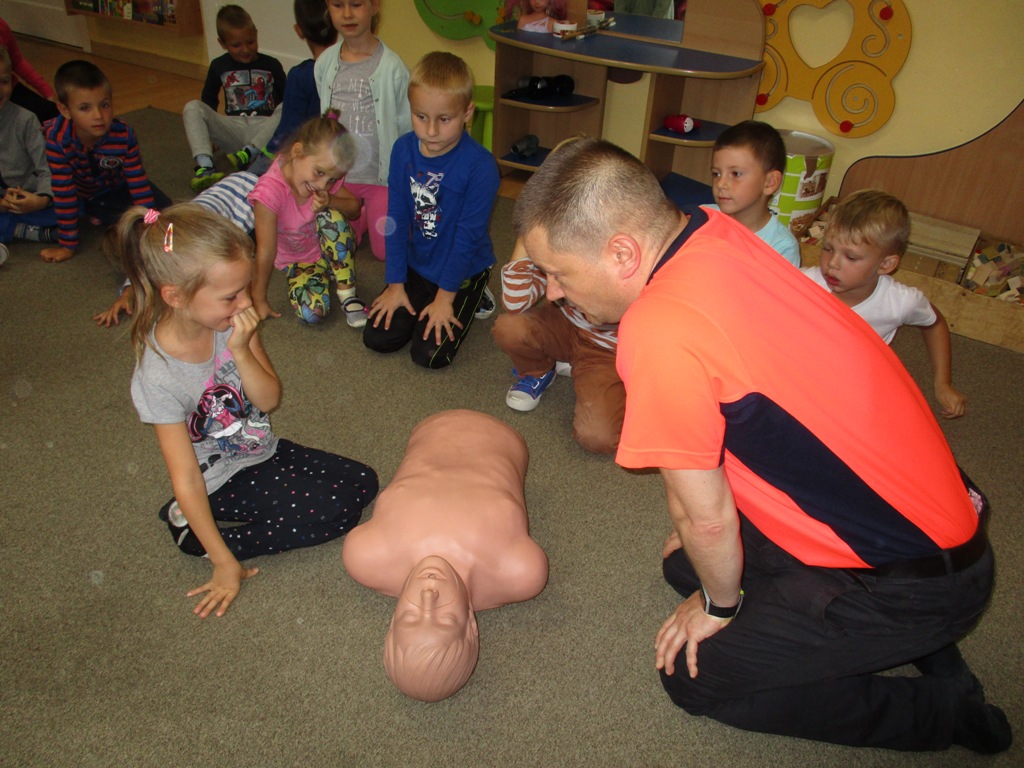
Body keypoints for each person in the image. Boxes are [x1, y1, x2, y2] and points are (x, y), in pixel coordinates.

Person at [512, 137, 1010, 753]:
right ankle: (913, 644)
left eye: (557, 273)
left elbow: (704, 517)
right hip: (939, 513)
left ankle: (945, 710)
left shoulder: (659, 329)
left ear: (621, 252)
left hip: (919, 583)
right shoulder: (714, 229)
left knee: (694, 675)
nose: (554, 292)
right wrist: (713, 558)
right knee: (685, 563)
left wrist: (718, 607)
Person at [122, 203, 378, 618]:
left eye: (244, 289)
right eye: (231, 296)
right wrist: (225, 563)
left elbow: (268, 399)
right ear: (176, 297)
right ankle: (197, 535)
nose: (245, 302)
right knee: (338, 512)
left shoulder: (232, 323)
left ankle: (205, 519)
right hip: (218, 478)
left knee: (364, 482)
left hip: (262, 449)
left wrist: (241, 350)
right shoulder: (158, 376)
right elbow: (185, 475)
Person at [341, 409, 548, 702]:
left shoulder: (366, 557)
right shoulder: (516, 573)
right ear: (471, 625)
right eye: (447, 620)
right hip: (502, 439)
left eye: (410, 617)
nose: (429, 595)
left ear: (392, 623)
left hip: (430, 428)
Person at [364, 51, 498, 369]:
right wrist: (395, 284)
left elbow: (467, 238)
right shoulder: (403, 150)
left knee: (429, 356)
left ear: (467, 112)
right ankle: (422, 293)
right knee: (378, 338)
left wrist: (444, 299)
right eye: (421, 116)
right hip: (419, 261)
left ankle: (476, 292)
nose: (431, 131)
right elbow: (396, 220)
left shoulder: (481, 167)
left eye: (444, 119)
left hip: (464, 268)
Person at [802, 189, 966, 418]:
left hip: (852, 390)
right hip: (801, 376)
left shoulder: (900, 302)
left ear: (886, 265)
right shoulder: (803, 282)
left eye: (851, 257)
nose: (832, 264)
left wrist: (942, 383)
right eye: (828, 249)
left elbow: (935, 323)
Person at [493, 238, 623, 454]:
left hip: (607, 351)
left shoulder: (627, 262)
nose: (551, 293)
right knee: (510, 327)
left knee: (597, 438)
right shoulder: (564, 237)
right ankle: (540, 371)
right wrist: (525, 242)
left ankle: (600, 380)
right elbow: (514, 304)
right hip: (565, 324)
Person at [41, 60, 170, 263]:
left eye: (104, 105)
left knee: (166, 212)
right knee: (126, 224)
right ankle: (104, 219)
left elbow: (137, 182)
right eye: (85, 108)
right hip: (91, 196)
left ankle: (163, 242)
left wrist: (149, 219)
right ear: (65, 110)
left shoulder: (124, 135)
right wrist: (67, 244)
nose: (98, 116)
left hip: (121, 186)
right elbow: (64, 191)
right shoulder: (56, 140)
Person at [94, 170, 260, 327]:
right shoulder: (165, 235)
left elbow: (232, 257)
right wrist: (126, 294)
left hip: (252, 194)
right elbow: (142, 268)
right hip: (235, 196)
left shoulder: (195, 232)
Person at [313, 0, 410, 262]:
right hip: (341, 180)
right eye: (338, 5)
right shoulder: (325, 63)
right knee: (339, 246)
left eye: (356, 4)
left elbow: (405, 125)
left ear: (375, 5)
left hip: (379, 180)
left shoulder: (392, 67)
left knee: (386, 252)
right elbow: (325, 114)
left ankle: (371, 212)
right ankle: (359, 213)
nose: (347, 14)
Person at [250, 115, 366, 327]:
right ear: (297, 152)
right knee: (312, 314)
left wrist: (330, 200)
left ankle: (347, 293)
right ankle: (330, 273)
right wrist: (258, 299)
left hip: (328, 248)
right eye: (319, 172)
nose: (323, 185)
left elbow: (355, 208)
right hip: (300, 262)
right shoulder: (269, 192)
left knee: (330, 216)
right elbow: (265, 251)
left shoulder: (323, 178)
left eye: (331, 180)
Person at [183, 4, 286, 191]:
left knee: (288, 105)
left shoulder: (272, 65)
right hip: (235, 128)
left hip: (264, 130)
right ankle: (205, 167)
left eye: (250, 42)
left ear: (256, 35)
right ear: (222, 43)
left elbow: (285, 98)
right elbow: (208, 101)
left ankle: (249, 154)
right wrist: (210, 136)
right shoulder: (218, 65)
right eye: (236, 45)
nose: (245, 49)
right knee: (192, 107)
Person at [247, 0, 339, 177]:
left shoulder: (300, 75)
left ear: (299, 30)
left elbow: (288, 131)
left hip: (296, 159)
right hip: (332, 156)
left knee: (243, 180)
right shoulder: (348, 70)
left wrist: (270, 154)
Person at [707, 120, 800, 267]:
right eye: (716, 174)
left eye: (736, 174)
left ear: (770, 182)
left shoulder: (781, 247)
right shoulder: (704, 218)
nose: (721, 184)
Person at [0, 44, 58, 263]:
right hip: (5, 203)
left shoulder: (25, 119)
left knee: (72, 204)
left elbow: (48, 168)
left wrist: (41, 200)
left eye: (4, 81)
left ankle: (24, 229)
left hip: (31, 194)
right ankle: (27, 231)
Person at [0, 16, 59, 123]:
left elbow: (17, 62)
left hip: (10, 90)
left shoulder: (1, 26)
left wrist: (47, 91)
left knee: (54, 115)